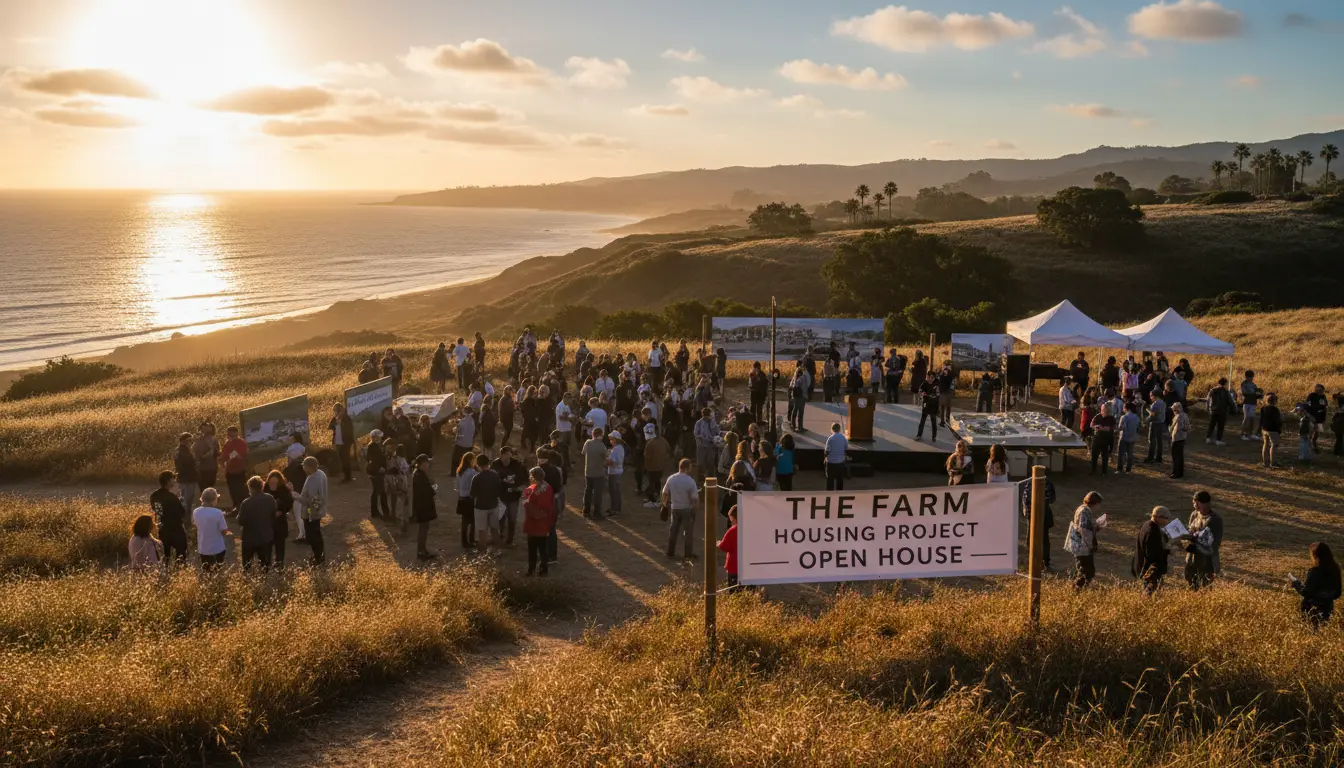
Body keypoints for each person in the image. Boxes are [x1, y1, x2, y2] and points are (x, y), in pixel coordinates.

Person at [1291, 542, 1342, 629]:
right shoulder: (1335, 570)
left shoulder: (1315, 571)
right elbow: (1338, 593)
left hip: (1311, 609)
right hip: (1327, 608)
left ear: (1315, 555)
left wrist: (1297, 584)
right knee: (1322, 633)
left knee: (1310, 632)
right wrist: (1326, 596)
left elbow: (1307, 592)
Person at [1180, 489, 1223, 590]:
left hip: (1207, 560)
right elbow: (1190, 530)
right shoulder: (1195, 514)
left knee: (1204, 586)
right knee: (1190, 582)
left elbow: (1211, 543)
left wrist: (1192, 538)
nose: (1195, 506)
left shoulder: (1214, 520)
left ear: (1203, 503)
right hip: (1192, 557)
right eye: (1194, 503)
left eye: (1196, 503)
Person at [235, 475, 277, 571]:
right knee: (265, 564)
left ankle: (248, 582)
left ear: (250, 488)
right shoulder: (270, 499)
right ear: (262, 486)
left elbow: (241, 521)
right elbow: (273, 515)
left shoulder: (246, 503)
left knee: (247, 564)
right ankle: (263, 581)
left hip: (249, 538)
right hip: (266, 536)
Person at [662, 458, 700, 561]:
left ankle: (670, 551)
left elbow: (664, 492)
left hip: (675, 508)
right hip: (686, 509)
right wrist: (694, 510)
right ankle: (688, 554)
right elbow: (695, 499)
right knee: (688, 533)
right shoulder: (690, 481)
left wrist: (664, 504)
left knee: (673, 530)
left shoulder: (671, 478)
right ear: (687, 468)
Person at [522, 466, 556, 576]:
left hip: (535, 524)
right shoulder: (548, 487)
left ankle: (531, 570)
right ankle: (543, 569)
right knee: (543, 548)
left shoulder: (536, 489)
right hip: (544, 523)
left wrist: (526, 503)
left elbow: (532, 504)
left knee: (532, 549)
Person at [1065, 491, 1104, 589]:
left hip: (1079, 545)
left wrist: (1096, 527)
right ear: (1094, 503)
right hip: (1082, 547)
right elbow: (1084, 530)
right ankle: (1077, 590)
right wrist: (1091, 545)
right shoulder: (1085, 512)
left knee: (1084, 570)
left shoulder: (1082, 509)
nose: (1099, 507)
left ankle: (1078, 589)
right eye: (1099, 504)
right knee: (1087, 571)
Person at [150, 470, 190, 565]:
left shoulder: (154, 495)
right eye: (173, 479)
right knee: (181, 550)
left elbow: (157, 509)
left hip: (162, 527)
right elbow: (182, 513)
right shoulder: (172, 497)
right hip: (175, 528)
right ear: (168, 481)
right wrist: (179, 501)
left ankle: (166, 569)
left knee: (165, 553)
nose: (175, 481)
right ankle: (178, 570)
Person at [1132, 506, 1173, 596]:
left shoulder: (1147, 525)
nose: (1168, 521)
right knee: (1150, 595)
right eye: (1166, 518)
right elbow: (1152, 554)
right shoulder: (1152, 531)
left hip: (1142, 566)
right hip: (1150, 571)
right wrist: (1167, 550)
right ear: (1157, 517)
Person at [295, 457, 328, 564]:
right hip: (318, 509)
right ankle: (320, 556)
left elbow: (310, 500)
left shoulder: (313, 479)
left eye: (304, 466)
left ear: (309, 467)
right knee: (317, 533)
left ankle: (318, 558)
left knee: (312, 536)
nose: (303, 468)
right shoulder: (321, 473)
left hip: (311, 512)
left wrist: (296, 497)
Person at [536, 448, 566, 564]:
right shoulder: (555, 470)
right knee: (551, 529)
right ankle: (552, 556)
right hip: (553, 502)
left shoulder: (538, 471)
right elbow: (559, 488)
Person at [492, 447, 525, 545]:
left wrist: (515, 485)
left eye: (510, 454)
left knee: (512, 518)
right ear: (501, 455)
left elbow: (523, 478)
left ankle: (510, 539)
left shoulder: (517, 464)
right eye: (506, 454)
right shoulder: (495, 464)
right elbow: (492, 478)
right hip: (501, 496)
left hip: (513, 496)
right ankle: (500, 535)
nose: (508, 456)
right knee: (500, 518)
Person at [193, 488, 230, 571]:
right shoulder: (218, 512)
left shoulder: (196, 511)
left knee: (206, 571)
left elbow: (196, 525)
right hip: (217, 548)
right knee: (217, 571)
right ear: (213, 500)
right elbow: (224, 531)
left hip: (203, 548)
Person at [264, 470, 294, 567]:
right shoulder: (265, 488)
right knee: (267, 545)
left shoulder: (284, 490)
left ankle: (279, 564)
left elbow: (289, 502)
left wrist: (282, 511)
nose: (273, 485)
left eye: (275, 483)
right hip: (268, 522)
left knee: (280, 545)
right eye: (271, 483)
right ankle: (266, 563)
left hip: (280, 522)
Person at [411, 453, 438, 560]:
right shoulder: (420, 476)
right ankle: (421, 552)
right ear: (422, 464)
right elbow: (425, 492)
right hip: (423, 507)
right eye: (427, 462)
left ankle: (422, 550)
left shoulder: (418, 474)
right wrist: (433, 489)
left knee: (424, 529)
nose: (428, 465)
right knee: (423, 529)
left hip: (421, 506)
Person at [581, 427, 608, 519]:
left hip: (588, 471)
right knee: (597, 493)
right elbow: (606, 457)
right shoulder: (601, 446)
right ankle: (597, 512)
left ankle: (586, 510)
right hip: (598, 473)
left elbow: (584, 453)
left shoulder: (587, 443)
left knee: (588, 491)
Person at [220, 428, 250, 512]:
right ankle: (236, 507)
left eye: (232, 435)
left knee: (242, 490)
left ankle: (244, 507)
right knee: (232, 490)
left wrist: (237, 456)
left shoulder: (242, 443)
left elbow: (244, 456)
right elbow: (223, 456)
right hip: (230, 471)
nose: (230, 437)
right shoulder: (227, 443)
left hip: (240, 470)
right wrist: (225, 461)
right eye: (229, 435)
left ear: (237, 434)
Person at [642, 423, 670, 508]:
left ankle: (652, 501)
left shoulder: (650, 443)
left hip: (652, 467)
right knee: (657, 483)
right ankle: (657, 499)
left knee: (651, 483)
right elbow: (668, 450)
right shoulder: (663, 440)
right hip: (661, 466)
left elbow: (647, 456)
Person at [455, 451, 479, 548]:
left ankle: (464, 541)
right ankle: (471, 539)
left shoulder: (459, 471)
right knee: (472, 521)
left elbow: (457, 486)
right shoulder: (472, 472)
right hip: (470, 498)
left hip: (461, 497)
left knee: (464, 521)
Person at [693, 407, 720, 482]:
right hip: (701, 446)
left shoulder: (712, 422)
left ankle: (710, 479)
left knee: (710, 463)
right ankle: (700, 479)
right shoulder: (699, 423)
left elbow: (717, 431)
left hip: (711, 446)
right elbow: (696, 434)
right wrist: (702, 439)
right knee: (700, 463)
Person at [366, 430, 389, 519]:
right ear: (373, 437)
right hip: (375, 472)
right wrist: (379, 467)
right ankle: (377, 512)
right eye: (377, 437)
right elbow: (372, 459)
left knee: (380, 492)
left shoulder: (379, 446)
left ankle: (380, 512)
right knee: (378, 492)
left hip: (379, 471)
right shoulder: (372, 446)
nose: (379, 438)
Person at [329, 403, 354, 482]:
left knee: (345, 459)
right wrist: (336, 423)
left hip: (346, 442)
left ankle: (347, 476)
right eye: (335, 411)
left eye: (338, 411)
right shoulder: (335, 419)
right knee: (340, 459)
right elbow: (330, 427)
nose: (336, 413)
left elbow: (349, 431)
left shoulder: (347, 419)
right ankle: (344, 475)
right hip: (338, 442)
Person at [385, 443, 410, 523]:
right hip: (401, 481)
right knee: (402, 499)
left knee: (393, 499)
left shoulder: (392, 459)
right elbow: (406, 470)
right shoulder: (402, 459)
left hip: (392, 481)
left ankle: (393, 514)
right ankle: (402, 516)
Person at [173, 432, 198, 512]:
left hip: (182, 477)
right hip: (188, 478)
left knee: (183, 498)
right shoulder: (184, 451)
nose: (191, 442)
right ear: (183, 441)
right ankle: (186, 520)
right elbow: (189, 464)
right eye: (189, 440)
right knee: (188, 500)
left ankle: (185, 518)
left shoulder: (179, 450)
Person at [1205, 377, 1233, 445]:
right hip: (1222, 411)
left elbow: (1208, 399)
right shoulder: (1226, 392)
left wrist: (1207, 407)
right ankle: (1218, 440)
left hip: (1213, 410)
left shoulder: (1213, 390)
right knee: (1220, 426)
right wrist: (1235, 409)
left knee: (1211, 424)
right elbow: (1230, 402)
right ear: (1226, 383)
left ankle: (1208, 438)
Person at [1089, 403, 1116, 475]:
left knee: (1105, 456)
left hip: (1106, 439)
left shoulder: (1111, 418)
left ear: (1107, 410)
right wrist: (1096, 427)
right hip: (1097, 438)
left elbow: (1109, 429)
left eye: (1103, 410)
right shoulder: (1098, 416)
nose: (1102, 411)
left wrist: (1099, 428)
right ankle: (1093, 470)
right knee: (1094, 455)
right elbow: (1091, 424)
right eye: (1102, 409)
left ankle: (1104, 472)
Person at [194, 423, 219, 496]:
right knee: (204, 488)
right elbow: (196, 453)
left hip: (210, 467)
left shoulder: (214, 440)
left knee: (209, 487)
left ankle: (208, 503)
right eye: (204, 427)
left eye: (207, 426)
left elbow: (217, 453)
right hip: (203, 468)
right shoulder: (199, 440)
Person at [718, 505, 740, 589]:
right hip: (748, 569)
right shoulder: (751, 528)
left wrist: (719, 544)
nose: (731, 522)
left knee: (733, 592)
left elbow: (725, 546)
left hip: (734, 567)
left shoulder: (732, 530)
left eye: (731, 520)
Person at [1116, 402, 1140, 474]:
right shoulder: (1136, 417)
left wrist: (1115, 430)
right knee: (1130, 454)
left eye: (1124, 407)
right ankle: (1128, 469)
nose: (1123, 409)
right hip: (1132, 437)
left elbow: (1121, 428)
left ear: (1127, 408)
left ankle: (1120, 469)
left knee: (1121, 454)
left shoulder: (1124, 417)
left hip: (1124, 437)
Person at [1143, 390, 1167, 464]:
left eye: (1151, 396)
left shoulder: (1155, 404)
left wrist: (1145, 421)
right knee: (1159, 441)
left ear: (1155, 396)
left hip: (1155, 424)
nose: (1150, 397)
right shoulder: (1163, 403)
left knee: (1152, 441)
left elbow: (1152, 416)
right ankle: (1158, 457)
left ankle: (1150, 457)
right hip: (1161, 423)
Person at [1260, 393, 1282, 468]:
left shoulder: (1263, 408)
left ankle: (1265, 461)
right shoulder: (1275, 410)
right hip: (1273, 430)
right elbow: (1277, 421)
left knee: (1265, 444)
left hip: (1264, 429)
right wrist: (1279, 430)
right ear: (1274, 401)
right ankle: (1273, 462)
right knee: (1274, 445)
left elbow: (1261, 418)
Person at [915, 372, 940, 441]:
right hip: (926, 404)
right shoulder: (925, 383)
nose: (928, 379)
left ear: (933, 378)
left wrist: (934, 396)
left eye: (930, 378)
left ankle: (934, 437)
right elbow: (920, 390)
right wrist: (922, 393)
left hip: (934, 405)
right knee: (922, 421)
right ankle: (919, 435)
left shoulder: (937, 385)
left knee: (933, 421)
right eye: (927, 377)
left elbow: (938, 394)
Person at [1168, 402, 1190, 479]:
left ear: (1176, 410)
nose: (1173, 412)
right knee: (1180, 457)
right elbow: (1187, 427)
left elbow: (1176, 428)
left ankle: (1176, 473)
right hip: (1183, 438)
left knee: (1175, 457)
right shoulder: (1185, 415)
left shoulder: (1178, 416)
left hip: (1177, 439)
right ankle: (1180, 473)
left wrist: (1170, 432)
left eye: (1174, 410)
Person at [824, 422, 848, 491]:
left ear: (832, 429)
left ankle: (830, 494)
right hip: (840, 461)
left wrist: (825, 458)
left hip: (831, 462)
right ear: (839, 429)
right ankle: (839, 494)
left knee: (830, 480)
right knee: (840, 479)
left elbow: (827, 450)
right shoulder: (843, 438)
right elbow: (846, 448)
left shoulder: (830, 438)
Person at [1239, 370, 1261, 441]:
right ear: (1246, 377)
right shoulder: (1244, 384)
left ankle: (1250, 434)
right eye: (1249, 377)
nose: (1251, 378)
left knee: (1252, 419)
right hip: (1247, 403)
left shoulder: (1254, 385)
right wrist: (1254, 394)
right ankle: (1242, 434)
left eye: (1251, 377)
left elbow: (1257, 394)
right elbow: (1244, 392)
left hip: (1253, 403)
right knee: (1246, 418)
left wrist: (1259, 394)